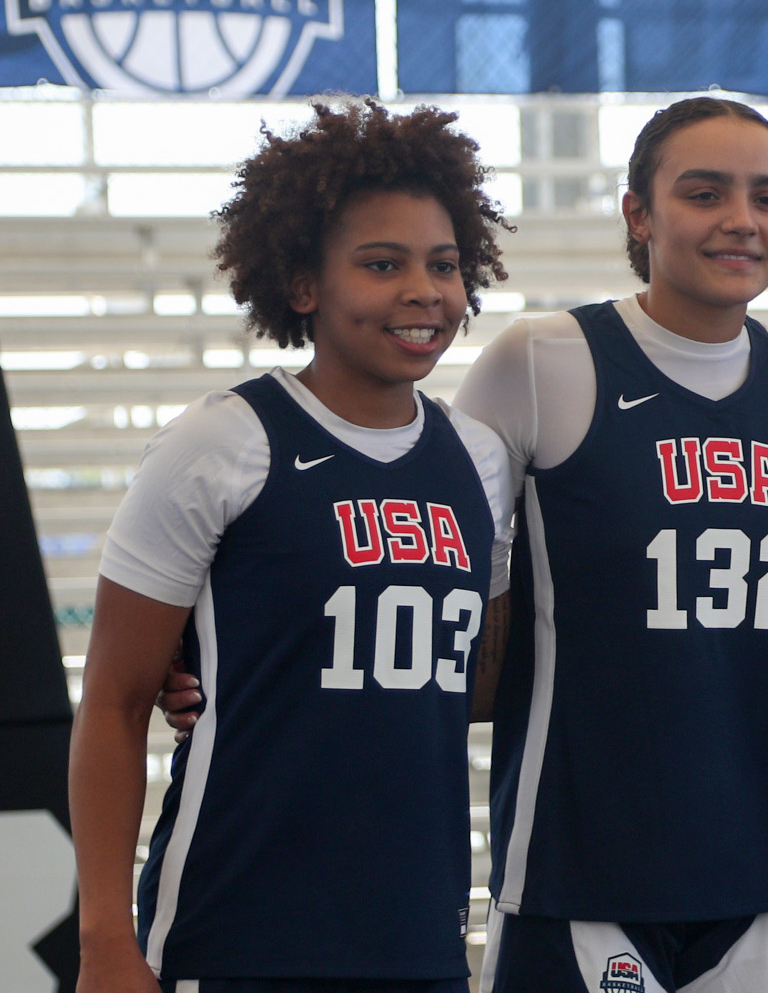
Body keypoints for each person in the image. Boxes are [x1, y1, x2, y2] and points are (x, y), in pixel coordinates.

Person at [70, 99, 517, 993]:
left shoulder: (479, 459)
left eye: (443, 264)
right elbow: (113, 703)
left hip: (419, 941)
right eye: (382, 264)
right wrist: (104, 942)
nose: (424, 290)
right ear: (304, 286)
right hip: (234, 936)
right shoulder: (222, 441)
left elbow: (468, 686)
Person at [454, 97, 768, 992]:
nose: (741, 220)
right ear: (639, 213)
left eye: (767, 197)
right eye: (704, 194)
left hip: (765, 871)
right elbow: (434, 565)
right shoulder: (541, 360)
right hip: (581, 874)